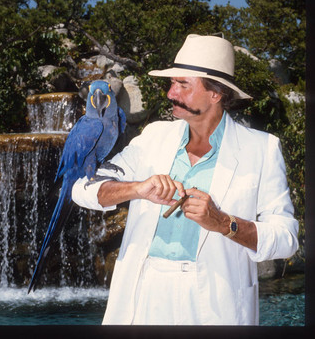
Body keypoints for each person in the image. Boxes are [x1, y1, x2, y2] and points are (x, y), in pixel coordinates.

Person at [72, 34, 299, 326]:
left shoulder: (262, 149)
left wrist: (223, 223)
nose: (170, 93)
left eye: (183, 85)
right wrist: (137, 189)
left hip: (218, 304)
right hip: (144, 293)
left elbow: (287, 238)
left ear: (215, 94)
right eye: (172, 83)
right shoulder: (154, 136)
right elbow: (82, 188)